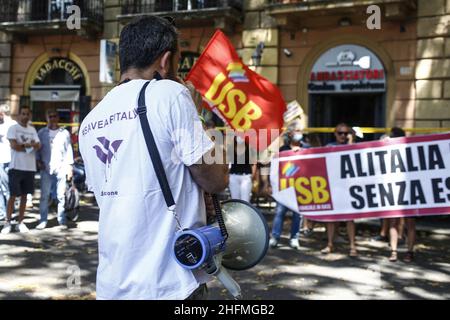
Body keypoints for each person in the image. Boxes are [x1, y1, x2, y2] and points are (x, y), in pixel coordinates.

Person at [78, 16, 228, 300]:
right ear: (166, 60)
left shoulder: (90, 120)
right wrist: (200, 116)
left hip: (112, 284)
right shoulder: (170, 94)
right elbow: (216, 178)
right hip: (169, 283)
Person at [1, 106, 41, 234]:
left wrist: (23, 145)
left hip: (29, 168)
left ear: (30, 115)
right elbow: (14, 146)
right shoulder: (13, 128)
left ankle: (20, 222)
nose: (25, 116)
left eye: (27, 114)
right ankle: (7, 222)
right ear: (19, 115)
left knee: (25, 196)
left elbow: (38, 145)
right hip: (16, 167)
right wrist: (29, 145)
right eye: (23, 114)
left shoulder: (32, 129)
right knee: (12, 196)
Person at [268, 120, 306, 250]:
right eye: (297, 131)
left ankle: (294, 238)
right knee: (279, 212)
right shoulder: (282, 150)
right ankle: (275, 237)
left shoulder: (306, 149)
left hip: (301, 188)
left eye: (301, 131)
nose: (299, 134)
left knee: (298, 214)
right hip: (284, 188)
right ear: (290, 134)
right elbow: (275, 169)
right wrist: (272, 185)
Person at [321, 123, 357, 257]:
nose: (343, 135)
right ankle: (330, 244)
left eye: (346, 133)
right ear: (335, 134)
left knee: (349, 218)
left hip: (347, 188)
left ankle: (353, 246)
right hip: (333, 186)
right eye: (340, 133)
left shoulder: (352, 147)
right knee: (331, 218)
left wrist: (352, 141)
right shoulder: (329, 147)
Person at [36, 109, 74, 230]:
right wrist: (38, 161)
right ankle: (43, 220)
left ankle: (61, 220)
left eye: (54, 116)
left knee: (60, 196)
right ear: (47, 118)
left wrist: (69, 167)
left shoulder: (65, 133)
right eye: (50, 116)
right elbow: (37, 148)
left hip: (61, 167)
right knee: (44, 196)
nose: (52, 118)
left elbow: (69, 150)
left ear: (58, 118)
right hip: (46, 168)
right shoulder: (42, 132)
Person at [385, 127, 416, 262]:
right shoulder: (388, 150)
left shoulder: (410, 149)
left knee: (405, 223)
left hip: (407, 189)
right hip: (396, 190)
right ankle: (398, 251)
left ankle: (403, 251)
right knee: (396, 222)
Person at [228, 136, 256, 203]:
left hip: (246, 176)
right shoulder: (231, 148)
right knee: (235, 200)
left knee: (245, 200)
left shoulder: (249, 148)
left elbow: (254, 162)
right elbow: (227, 162)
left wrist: (253, 175)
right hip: (233, 176)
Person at [0, 104, 15, 220]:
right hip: (4, 160)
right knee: (3, 188)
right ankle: (3, 212)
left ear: (2, 113)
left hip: (8, 160)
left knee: (7, 189)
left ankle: (8, 213)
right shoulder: (12, 124)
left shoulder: (13, 125)